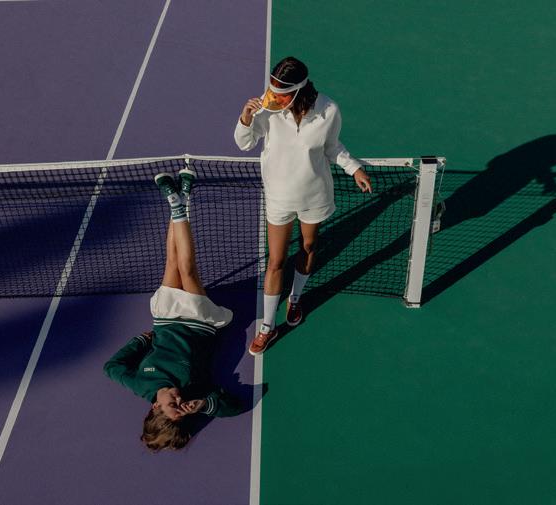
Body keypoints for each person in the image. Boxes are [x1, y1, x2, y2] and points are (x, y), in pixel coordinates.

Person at [234, 56, 372, 355]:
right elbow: (244, 143)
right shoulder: (267, 107)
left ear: (299, 90)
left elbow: (333, 147)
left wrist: (354, 168)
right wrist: (246, 118)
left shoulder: (329, 109)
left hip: (314, 196)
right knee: (275, 261)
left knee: (309, 248)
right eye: (272, 89)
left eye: (281, 93)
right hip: (279, 197)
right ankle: (267, 327)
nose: (274, 96)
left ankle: (295, 298)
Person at [104, 168, 243, 452]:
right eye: (182, 408)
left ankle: (181, 199)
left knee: (171, 262)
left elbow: (112, 368)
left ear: (155, 406)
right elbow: (235, 406)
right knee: (187, 270)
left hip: (165, 319)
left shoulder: (140, 384)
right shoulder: (194, 390)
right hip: (199, 322)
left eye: (172, 405)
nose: (179, 401)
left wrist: (140, 341)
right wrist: (204, 404)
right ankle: (178, 204)